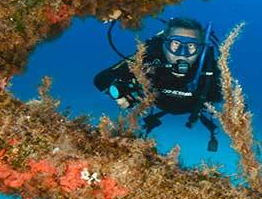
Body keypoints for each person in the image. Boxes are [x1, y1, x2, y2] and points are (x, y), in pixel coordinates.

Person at [94, 17, 222, 151]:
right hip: (156, 103)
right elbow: (101, 79)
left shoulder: (209, 68)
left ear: (200, 49)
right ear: (164, 44)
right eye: (175, 44)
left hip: (194, 109)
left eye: (191, 46)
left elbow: (235, 99)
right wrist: (118, 92)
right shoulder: (149, 58)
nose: (182, 54)